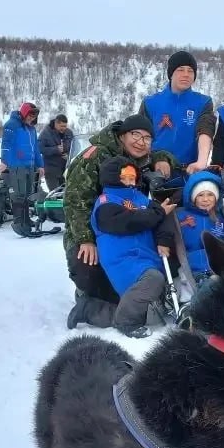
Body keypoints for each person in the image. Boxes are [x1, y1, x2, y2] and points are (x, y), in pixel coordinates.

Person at [62, 114, 176, 320]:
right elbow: (75, 199)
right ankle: (91, 298)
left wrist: (163, 159)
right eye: (135, 135)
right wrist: (85, 239)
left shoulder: (139, 158)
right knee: (88, 264)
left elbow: (164, 156)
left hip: (128, 233)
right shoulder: (96, 156)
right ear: (122, 135)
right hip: (94, 230)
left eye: (147, 138)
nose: (141, 142)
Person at [69, 156, 177, 338]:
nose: (129, 181)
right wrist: (157, 212)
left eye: (132, 177)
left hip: (147, 257)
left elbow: (161, 219)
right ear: (112, 177)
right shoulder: (106, 202)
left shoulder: (139, 197)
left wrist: (163, 239)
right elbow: (129, 222)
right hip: (123, 260)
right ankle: (125, 321)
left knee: (153, 312)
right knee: (153, 281)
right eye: (124, 177)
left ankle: (89, 309)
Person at [139, 51, 216, 174]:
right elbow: (141, 138)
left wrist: (201, 162)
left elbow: (205, 130)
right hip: (158, 170)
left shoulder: (203, 102)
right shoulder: (150, 102)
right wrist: (153, 161)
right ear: (171, 73)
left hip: (190, 171)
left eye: (190, 71)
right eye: (180, 70)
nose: (186, 74)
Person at [174, 170, 224, 288]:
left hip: (219, 266)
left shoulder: (221, 217)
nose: (205, 199)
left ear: (216, 198)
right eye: (200, 195)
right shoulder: (180, 215)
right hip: (192, 266)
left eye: (210, 194)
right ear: (193, 198)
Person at [1, 102, 45, 230]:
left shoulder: (31, 129)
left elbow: (35, 148)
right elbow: (6, 144)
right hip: (17, 165)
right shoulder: (12, 125)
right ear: (24, 112)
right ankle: (19, 221)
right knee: (19, 194)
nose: (32, 118)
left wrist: (40, 165)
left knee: (27, 194)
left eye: (34, 116)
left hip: (29, 165)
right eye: (30, 115)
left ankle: (26, 219)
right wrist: (4, 161)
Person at [38, 114, 74, 190]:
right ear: (56, 124)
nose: (63, 128)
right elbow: (39, 148)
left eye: (65, 126)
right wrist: (55, 149)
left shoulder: (69, 133)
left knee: (65, 193)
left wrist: (69, 154)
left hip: (65, 169)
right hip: (51, 169)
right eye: (61, 126)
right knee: (55, 194)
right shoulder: (46, 133)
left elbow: (75, 146)